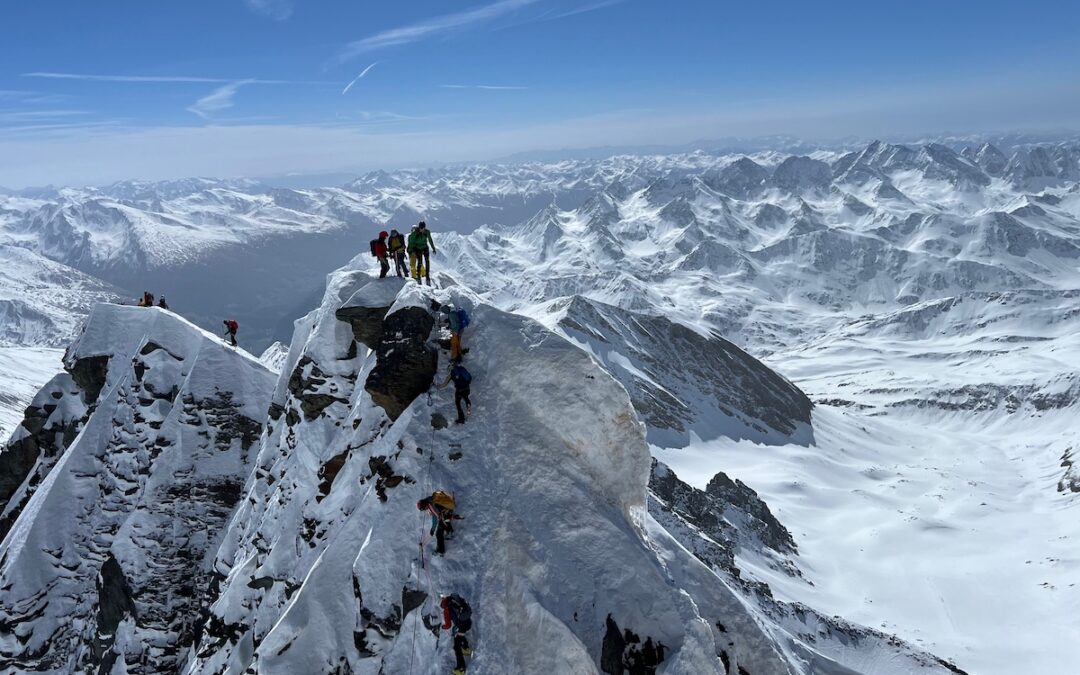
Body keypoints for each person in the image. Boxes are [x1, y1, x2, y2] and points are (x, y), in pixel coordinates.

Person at [417, 491, 461, 555]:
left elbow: (435, 518)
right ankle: (449, 532)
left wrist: (433, 529)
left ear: (425, 505)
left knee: (439, 533)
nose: (425, 510)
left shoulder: (431, 505)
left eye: (424, 509)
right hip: (448, 509)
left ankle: (441, 550)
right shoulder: (431, 499)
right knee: (442, 520)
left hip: (447, 512)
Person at [441, 594, 473, 674]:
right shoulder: (454, 598)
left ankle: (461, 668)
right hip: (468, 622)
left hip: (462, 626)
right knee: (458, 634)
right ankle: (466, 649)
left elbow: (448, 625)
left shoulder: (446, 609)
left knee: (456, 646)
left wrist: (443, 627)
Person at [407, 221, 436, 285]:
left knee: (427, 261)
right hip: (417, 248)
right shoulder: (415, 233)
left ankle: (427, 277)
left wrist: (433, 248)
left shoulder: (427, 232)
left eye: (423, 228)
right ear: (419, 227)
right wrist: (410, 250)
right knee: (419, 262)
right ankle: (418, 277)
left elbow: (430, 240)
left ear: (424, 227)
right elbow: (411, 242)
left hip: (425, 247)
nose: (421, 230)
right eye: (420, 228)